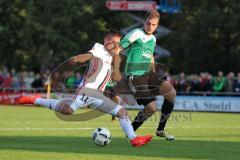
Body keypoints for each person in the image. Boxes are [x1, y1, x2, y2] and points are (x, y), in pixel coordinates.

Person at [17, 29, 152, 147]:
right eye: (112, 42)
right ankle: (35, 100)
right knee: (68, 110)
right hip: (86, 90)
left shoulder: (113, 53)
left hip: (98, 95)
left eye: (117, 42)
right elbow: (89, 55)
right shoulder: (99, 48)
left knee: (122, 112)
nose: (115, 45)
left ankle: (134, 139)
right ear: (105, 40)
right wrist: (78, 58)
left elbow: (116, 57)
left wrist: (116, 70)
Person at [112, 10, 176, 140]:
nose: (150, 26)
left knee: (171, 93)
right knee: (151, 108)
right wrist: (116, 70)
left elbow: (150, 55)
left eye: (154, 24)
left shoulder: (153, 38)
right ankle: (131, 131)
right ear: (144, 21)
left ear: (157, 25)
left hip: (149, 75)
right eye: (148, 23)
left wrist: (154, 72)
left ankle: (160, 130)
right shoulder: (136, 33)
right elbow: (118, 49)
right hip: (135, 77)